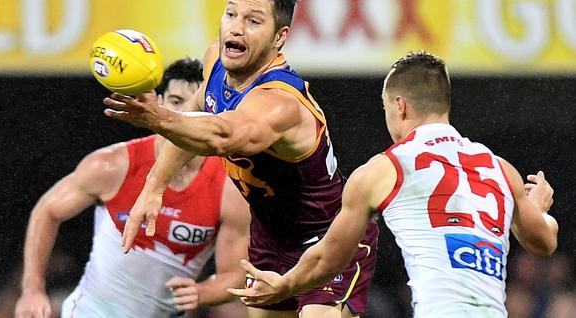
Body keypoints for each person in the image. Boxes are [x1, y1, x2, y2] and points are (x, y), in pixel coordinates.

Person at [103, 0, 379, 318]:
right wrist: (155, 185)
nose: (236, 27)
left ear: (280, 37)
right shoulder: (215, 61)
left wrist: (158, 118)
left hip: (330, 237)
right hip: (269, 238)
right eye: (231, 13)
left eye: (253, 21)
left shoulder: (280, 102)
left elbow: (222, 135)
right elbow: (196, 113)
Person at [228, 51, 560, 317]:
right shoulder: (499, 168)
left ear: (399, 106)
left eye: (386, 109)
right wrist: (538, 209)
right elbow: (544, 241)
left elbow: (329, 258)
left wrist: (284, 286)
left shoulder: (385, 169)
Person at [14, 57, 251, 318]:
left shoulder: (229, 189)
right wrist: (33, 289)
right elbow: (47, 210)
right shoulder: (112, 166)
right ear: (158, 104)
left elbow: (236, 273)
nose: (185, 116)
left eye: (197, 107)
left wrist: (203, 292)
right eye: (175, 102)